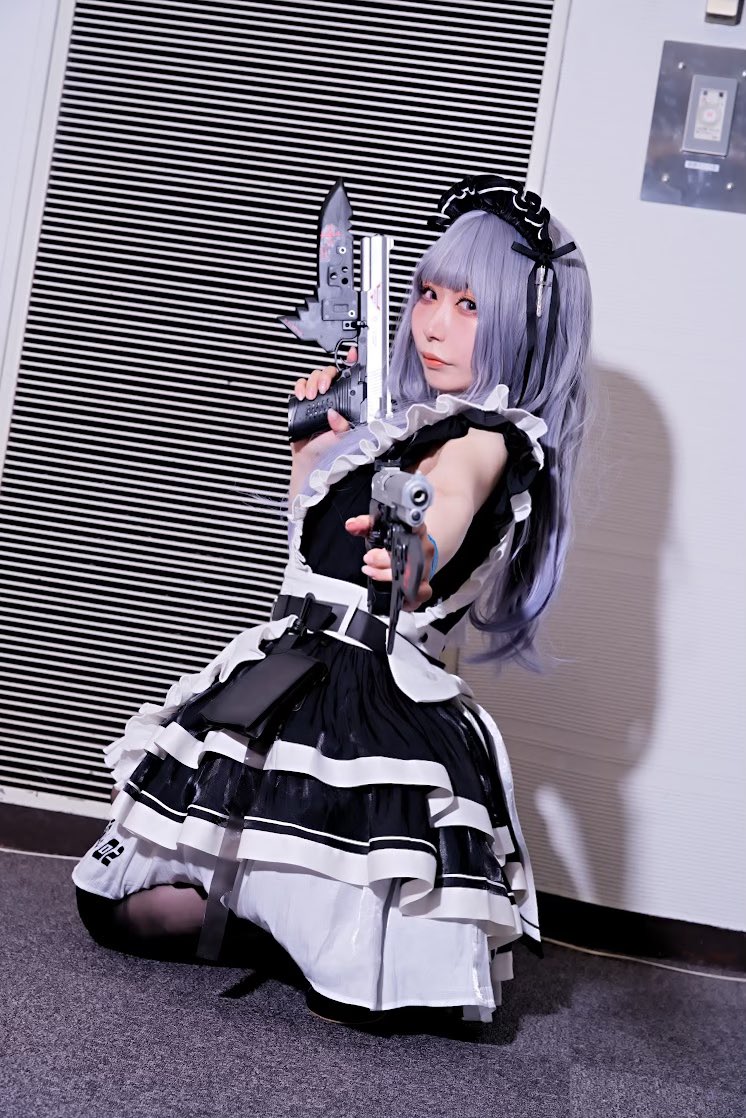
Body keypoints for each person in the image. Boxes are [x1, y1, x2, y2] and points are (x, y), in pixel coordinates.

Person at [73, 175, 592, 1026]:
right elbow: (307, 552)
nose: (434, 323)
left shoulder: (488, 440)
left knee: (364, 994)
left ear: (525, 325)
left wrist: (413, 556)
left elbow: (445, 515)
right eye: (429, 294)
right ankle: (277, 927)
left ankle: (319, 933)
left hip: (368, 703)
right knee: (111, 903)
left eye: (469, 305)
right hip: (285, 671)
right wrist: (315, 446)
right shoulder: (404, 423)